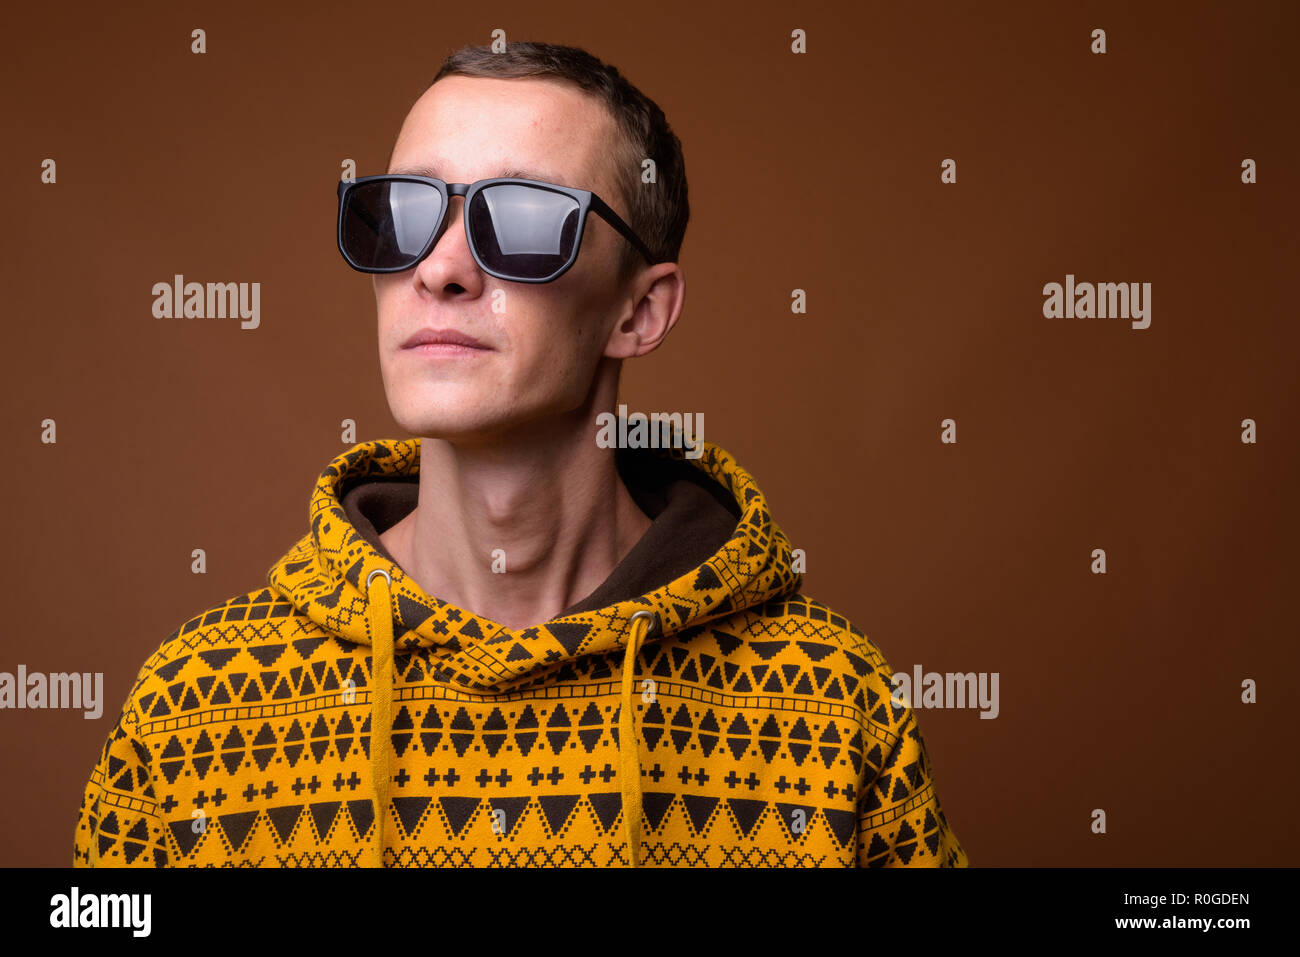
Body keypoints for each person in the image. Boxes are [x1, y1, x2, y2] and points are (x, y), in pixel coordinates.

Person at [74, 40, 967, 868]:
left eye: (526, 219)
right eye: (404, 213)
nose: (441, 268)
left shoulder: (833, 707)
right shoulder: (193, 709)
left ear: (639, 312)